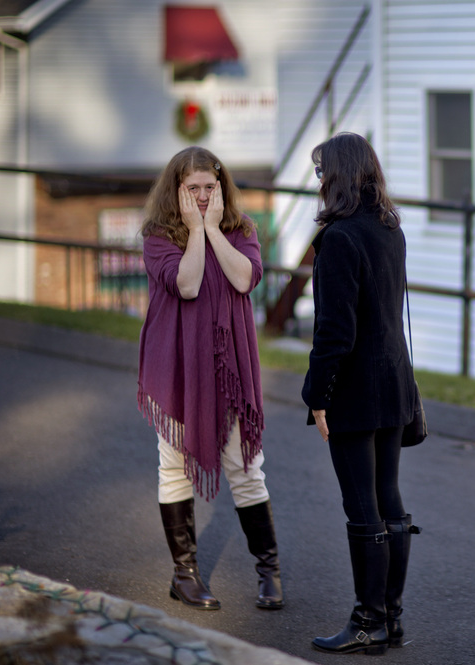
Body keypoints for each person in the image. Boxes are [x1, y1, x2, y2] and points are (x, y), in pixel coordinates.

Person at [137, 146, 283, 612]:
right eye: (192, 189)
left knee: (245, 467)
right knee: (174, 466)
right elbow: (188, 284)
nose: (201, 196)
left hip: (230, 370)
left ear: (221, 188)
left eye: (208, 188)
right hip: (176, 367)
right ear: (176, 190)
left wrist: (214, 230)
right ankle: (185, 575)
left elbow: (245, 279)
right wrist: (196, 232)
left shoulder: (242, 231)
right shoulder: (158, 235)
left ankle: (269, 572)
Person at [302, 132, 421, 655]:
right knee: (388, 497)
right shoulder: (388, 229)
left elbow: (335, 332)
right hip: (395, 381)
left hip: (354, 389)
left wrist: (317, 395)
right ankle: (390, 618)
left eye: (319, 170)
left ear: (337, 176)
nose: (316, 180)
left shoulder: (339, 239)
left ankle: (368, 621)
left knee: (362, 507)